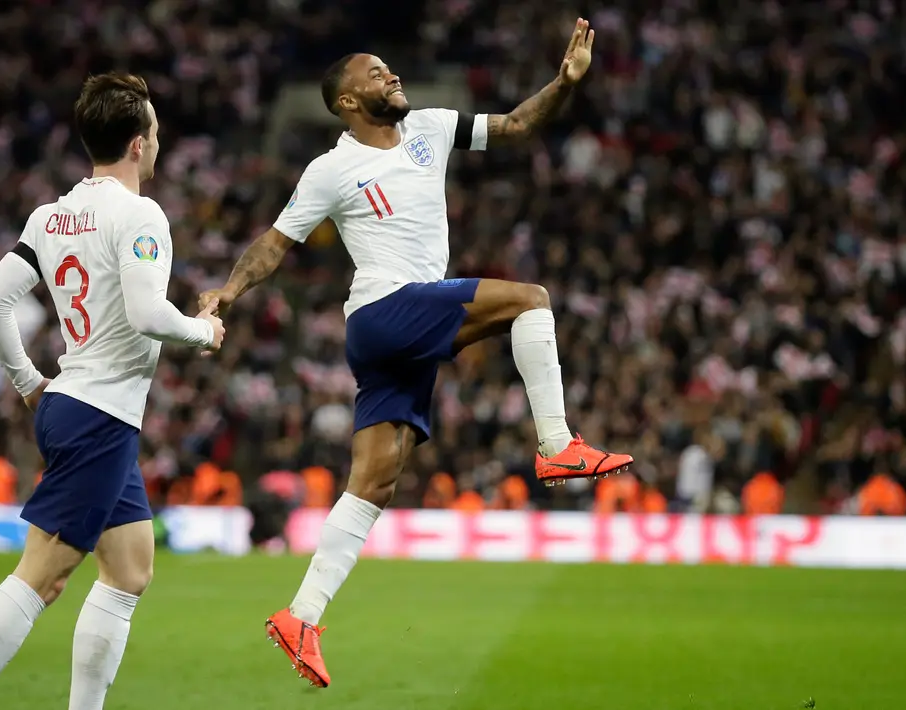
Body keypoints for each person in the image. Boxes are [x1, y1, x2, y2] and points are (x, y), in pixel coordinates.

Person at [199, 18, 630, 688]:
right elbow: (274, 244)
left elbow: (515, 126)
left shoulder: (428, 125)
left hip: (388, 334)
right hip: (385, 308)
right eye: (374, 73)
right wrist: (228, 292)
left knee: (374, 481)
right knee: (529, 298)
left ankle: (300, 616)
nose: (390, 76)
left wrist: (563, 84)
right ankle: (555, 444)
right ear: (346, 101)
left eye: (388, 69)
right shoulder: (331, 169)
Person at [0, 72, 225, 710]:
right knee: (42, 577)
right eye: (155, 130)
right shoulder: (141, 214)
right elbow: (149, 315)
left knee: (129, 569)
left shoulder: (50, 216)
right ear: (141, 144)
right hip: (98, 414)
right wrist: (203, 331)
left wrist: (30, 383)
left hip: (75, 403)